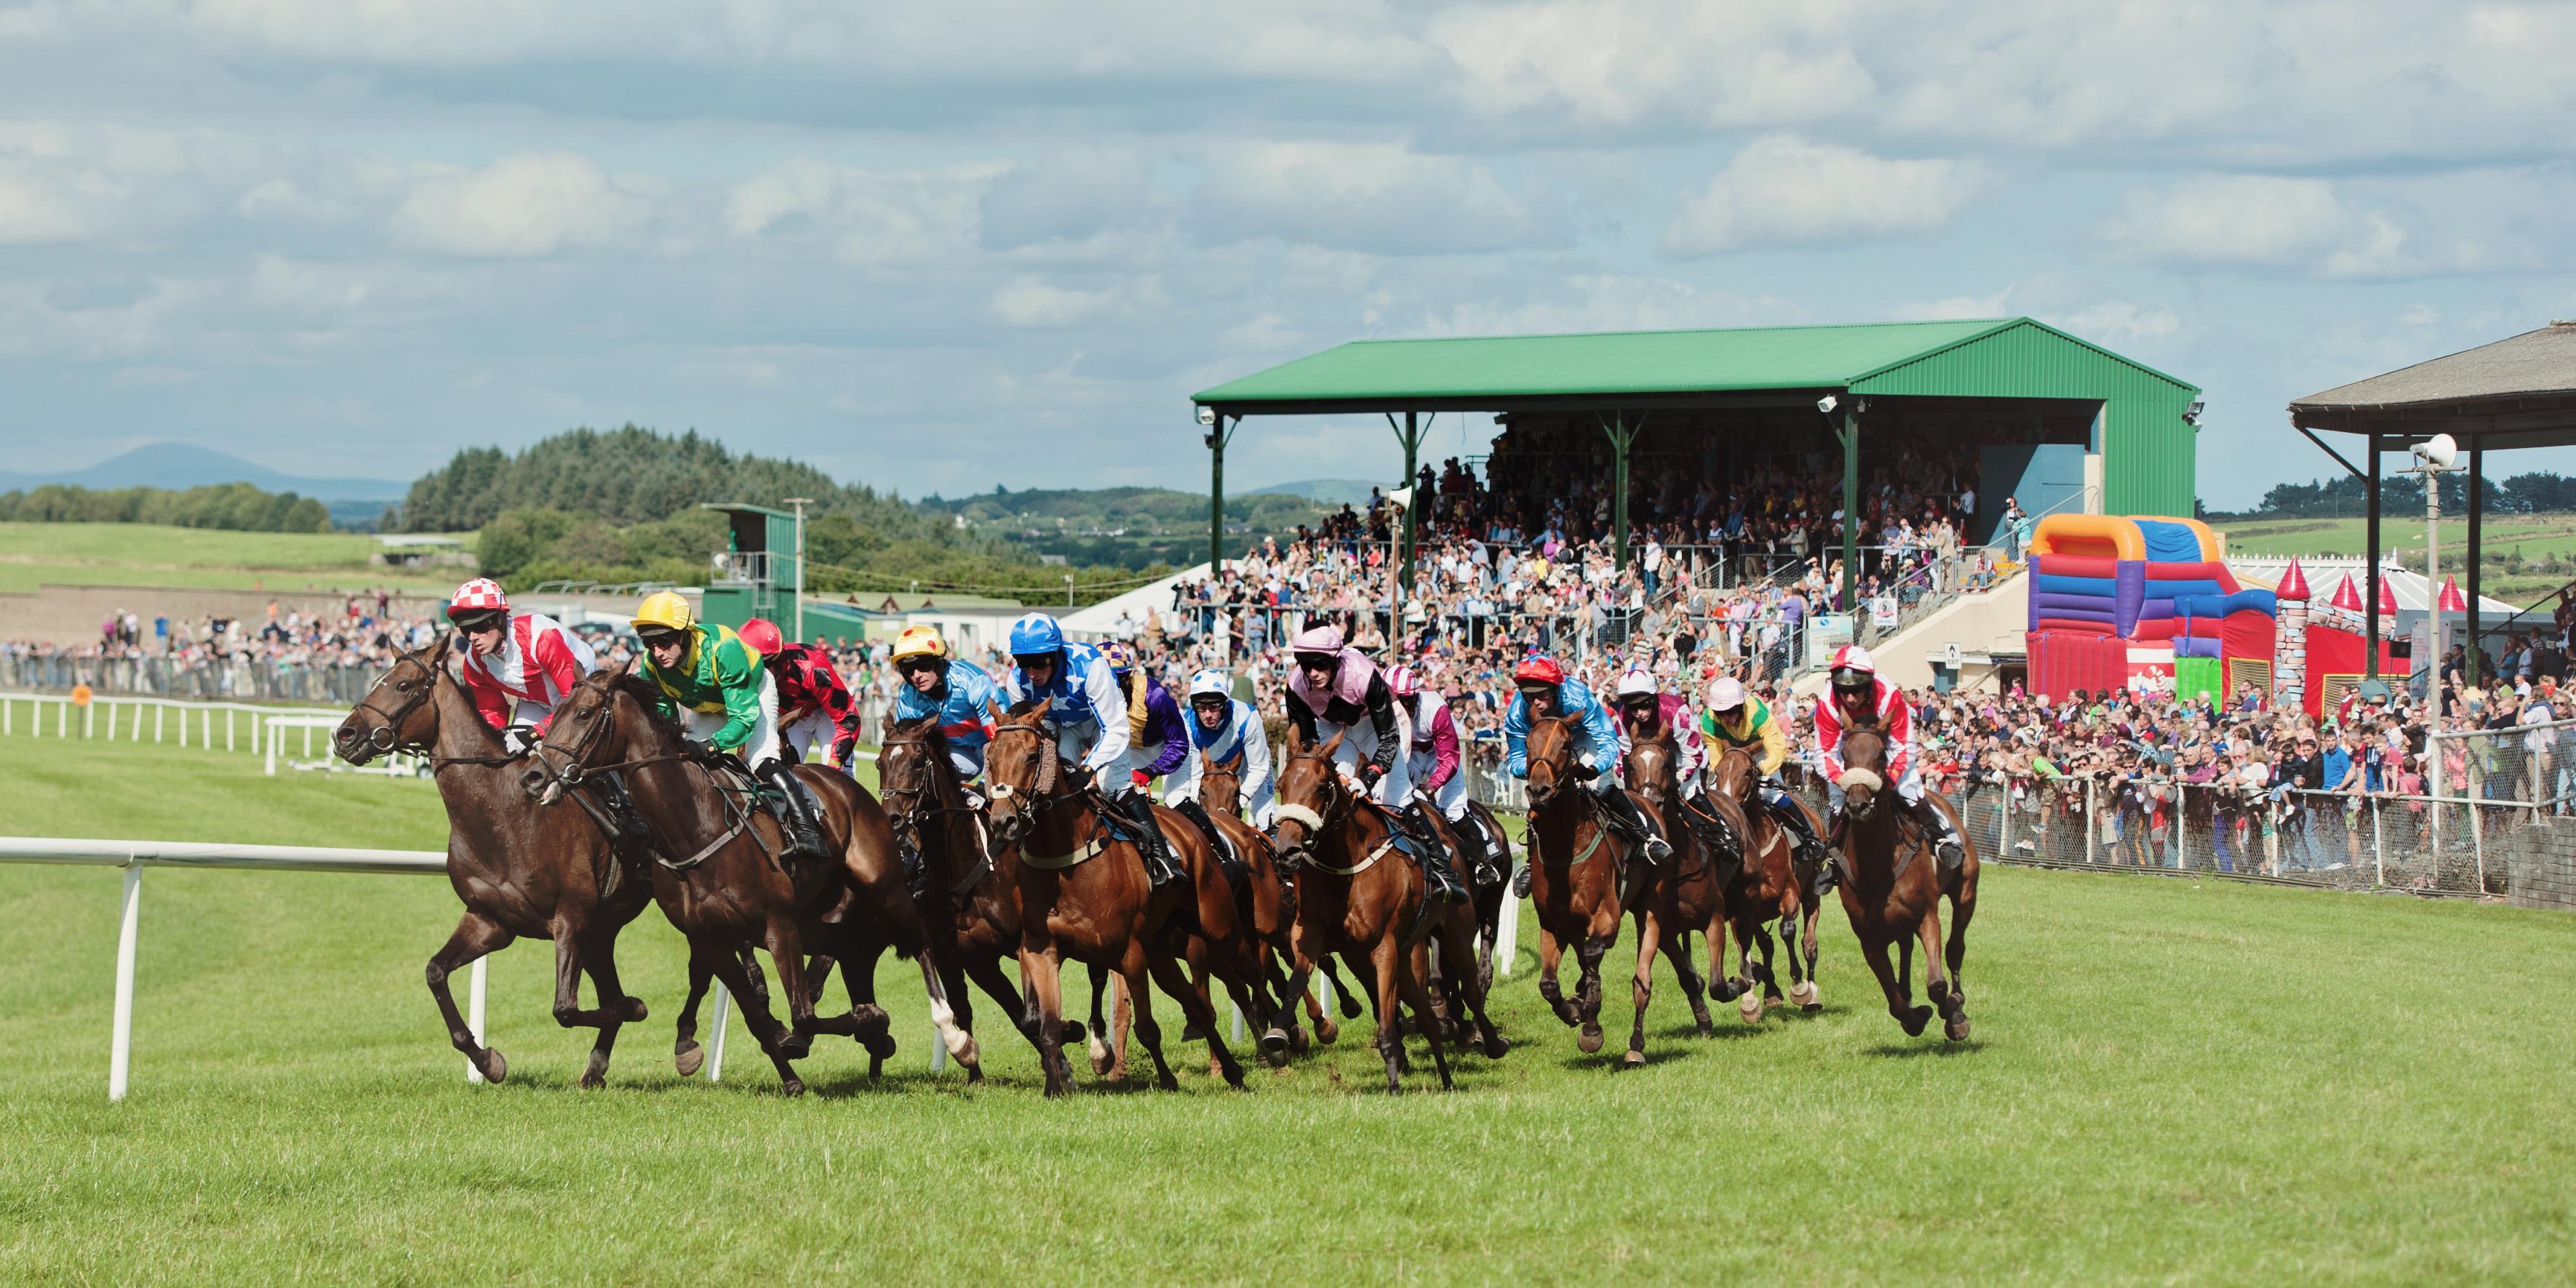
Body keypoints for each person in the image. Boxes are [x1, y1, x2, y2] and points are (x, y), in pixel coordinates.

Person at [629, 591, 829, 863]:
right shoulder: (651, 664)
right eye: (649, 643)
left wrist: (711, 746)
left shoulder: (723, 648)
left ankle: (807, 831)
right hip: (709, 708)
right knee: (680, 762)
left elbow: (743, 718)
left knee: (761, 759)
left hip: (751, 695)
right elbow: (663, 717)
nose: (657, 652)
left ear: (685, 633)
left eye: (664, 641)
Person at [1283, 624, 1465, 904]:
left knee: (1398, 796)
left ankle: (1443, 872)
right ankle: (1298, 869)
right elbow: (1308, 742)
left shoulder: (1362, 674)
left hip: (1377, 726)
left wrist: (1368, 777)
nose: (1312, 674)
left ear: (1334, 660)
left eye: (1319, 666)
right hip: (1332, 727)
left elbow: (1389, 738)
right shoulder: (1296, 686)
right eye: (1306, 666)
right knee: (1328, 793)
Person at [999, 613, 1176, 889]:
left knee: (1110, 783)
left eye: (1039, 662)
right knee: (1050, 783)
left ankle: (1161, 856)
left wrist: (1087, 768)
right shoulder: (1017, 681)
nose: (1031, 672)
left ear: (1056, 654)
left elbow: (1116, 729)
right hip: (1063, 728)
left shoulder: (1089, 665)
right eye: (1024, 663)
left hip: (1103, 724)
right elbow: (1030, 732)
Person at [1504, 654, 1672, 900]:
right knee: (1538, 795)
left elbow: (1608, 742)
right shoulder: (1518, 709)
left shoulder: (1577, 696)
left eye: (1542, 695)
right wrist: (1540, 770)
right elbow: (1515, 758)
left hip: (1581, 740)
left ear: (1556, 688)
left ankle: (1646, 839)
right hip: (1544, 752)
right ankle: (1532, 863)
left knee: (1601, 787)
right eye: (1530, 696)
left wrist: (1592, 769)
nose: (1536, 702)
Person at [1811, 644, 1966, 868]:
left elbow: (1903, 745)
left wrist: (1891, 778)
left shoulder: (1889, 695)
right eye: (1844, 691)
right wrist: (1843, 779)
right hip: (1849, 749)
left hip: (1888, 746)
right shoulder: (1827, 703)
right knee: (1837, 800)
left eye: (1857, 690)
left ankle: (1945, 837)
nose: (1851, 698)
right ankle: (1833, 859)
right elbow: (1825, 752)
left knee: (1909, 789)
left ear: (1869, 685)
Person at [1700, 675, 1829, 881]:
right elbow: (1716, 758)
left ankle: (1809, 837)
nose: (1725, 717)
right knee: (1717, 796)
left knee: (1771, 793)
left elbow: (1777, 749)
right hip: (1731, 758)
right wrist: (1728, 774)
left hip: (1762, 754)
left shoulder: (1757, 713)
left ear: (1741, 706)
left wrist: (1760, 770)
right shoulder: (1708, 720)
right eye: (1720, 712)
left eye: (1731, 711)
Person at [447, 577, 596, 752]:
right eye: (466, 630)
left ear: (501, 619)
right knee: (513, 754)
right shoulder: (474, 663)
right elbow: (493, 709)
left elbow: (575, 699)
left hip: (585, 693)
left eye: (479, 626)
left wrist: (535, 732)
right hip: (536, 703)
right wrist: (492, 739)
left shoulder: (542, 638)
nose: (472, 637)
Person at [1606, 664, 1734, 864]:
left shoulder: (1677, 710)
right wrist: (1629, 781)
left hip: (1680, 752)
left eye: (1644, 704)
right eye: (1633, 707)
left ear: (1653, 698)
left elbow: (1694, 753)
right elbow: (1623, 756)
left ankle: (1721, 835)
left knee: (1690, 790)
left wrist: (1679, 777)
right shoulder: (1622, 718)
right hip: (1644, 756)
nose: (1639, 712)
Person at [1390, 663, 1493, 883]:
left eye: (1404, 700)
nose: (1399, 706)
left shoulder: (1435, 708)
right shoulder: (1385, 709)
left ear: (1414, 697)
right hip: (1411, 754)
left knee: (1452, 809)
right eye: (1394, 699)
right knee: (1393, 800)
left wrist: (1429, 788)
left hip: (1439, 754)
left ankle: (1484, 862)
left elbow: (1450, 758)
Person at [736, 618, 866, 775]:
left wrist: (834, 765)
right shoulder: (744, 675)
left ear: (779, 658)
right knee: (786, 774)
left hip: (827, 714)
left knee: (839, 776)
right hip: (793, 720)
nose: (761, 672)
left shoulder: (813, 667)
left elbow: (849, 718)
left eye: (765, 664)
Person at [885, 623, 1001, 798]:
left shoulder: (974, 682)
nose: (916, 675)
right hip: (957, 752)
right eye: (909, 670)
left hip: (993, 746)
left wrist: (984, 785)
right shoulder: (908, 697)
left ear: (939, 663)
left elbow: (1002, 740)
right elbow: (908, 751)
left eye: (923, 666)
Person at [1165, 667, 1275, 828]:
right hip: (1206, 769)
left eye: (1214, 707)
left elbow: (1259, 768)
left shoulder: (1248, 717)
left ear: (1225, 703)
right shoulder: (1186, 723)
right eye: (1201, 708)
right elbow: (1195, 774)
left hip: (1245, 765)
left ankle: (1269, 839)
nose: (1208, 714)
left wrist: (1240, 800)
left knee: (1265, 818)